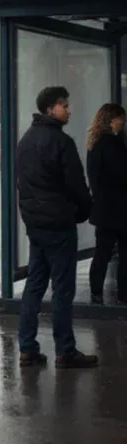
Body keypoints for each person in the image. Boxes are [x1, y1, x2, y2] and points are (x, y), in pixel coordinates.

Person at [15, 85, 98, 368]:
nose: (69, 109)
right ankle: (65, 350)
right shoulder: (61, 143)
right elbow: (77, 186)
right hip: (59, 227)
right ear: (51, 109)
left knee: (34, 286)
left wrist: (32, 217)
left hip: (37, 227)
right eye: (64, 105)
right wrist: (82, 211)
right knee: (63, 289)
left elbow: (22, 185)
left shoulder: (25, 141)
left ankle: (27, 347)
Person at [85, 103, 127, 305]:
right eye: (121, 118)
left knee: (101, 253)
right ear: (112, 119)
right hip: (119, 209)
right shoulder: (114, 143)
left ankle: (95, 293)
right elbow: (122, 174)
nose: (123, 123)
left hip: (103, 209)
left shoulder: (94, 143)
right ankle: (123, 294)